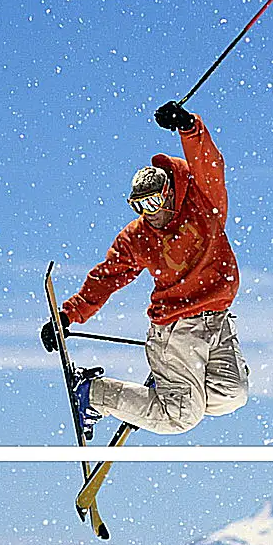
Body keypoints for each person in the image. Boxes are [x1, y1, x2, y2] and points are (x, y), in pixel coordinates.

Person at [41, 100, 249, 437]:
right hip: (175, 327)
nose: (148, 213)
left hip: (217, 318)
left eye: (153, 203)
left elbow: (209, 164)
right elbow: (106, 278)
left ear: (169, 194)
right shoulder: (138, 237)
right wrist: (67, 315)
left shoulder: (203, 203)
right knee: (181, 417)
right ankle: (93, 394)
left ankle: (171, 385)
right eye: (139, 206)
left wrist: (187, 125)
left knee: (232, 394)